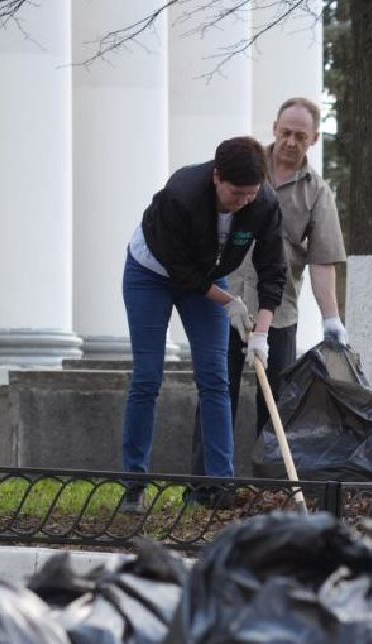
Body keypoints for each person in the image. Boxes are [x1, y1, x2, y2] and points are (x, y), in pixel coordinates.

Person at [118, 136, 287, 512]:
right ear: (216, 177)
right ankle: (134, 485)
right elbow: (180, 271)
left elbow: (274, 269)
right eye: (236, 193)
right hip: (151, 273)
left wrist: (261, 332)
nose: (243, 201)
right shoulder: (182, 194)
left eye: (250, 194)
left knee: (215, 378)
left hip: (208, 277)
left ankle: (219, 485)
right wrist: (228, 302)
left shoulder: (263, 203)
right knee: (147, 377)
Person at [191, 98, 348, 479]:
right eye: (285, 132)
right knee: (215, 394)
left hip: (277, 311)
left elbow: (322, 260)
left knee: (275, 404)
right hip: (224, 301)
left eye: (300, 136)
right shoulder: (242, 167)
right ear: (275, 127)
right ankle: (207, 487)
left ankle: (269, 490)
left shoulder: (317, 192)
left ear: (314, 139)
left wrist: (331, 319)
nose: (290, 142)